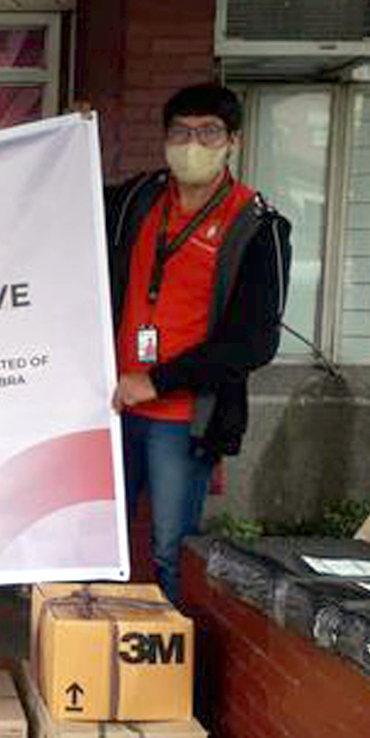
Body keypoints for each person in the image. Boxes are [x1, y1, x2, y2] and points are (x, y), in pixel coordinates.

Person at [106, 84, 291, 602]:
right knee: (101, 541)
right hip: (112, 406)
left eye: (208, 132)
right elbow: (66, 203)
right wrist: (71, 138)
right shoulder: (139, 200)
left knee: (170, 549)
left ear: (233, 140)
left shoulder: (258, 225)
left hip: (184, 417)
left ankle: (176, 648)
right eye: (181, 132)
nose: (193, 144)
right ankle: (93, 642)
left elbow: (255, 342)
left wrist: (158, 381)